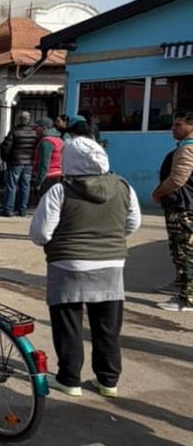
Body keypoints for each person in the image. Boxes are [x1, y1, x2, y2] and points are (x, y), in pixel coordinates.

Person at [29, 137, 140, 397]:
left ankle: (69, 379)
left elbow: (40, 233)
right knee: (107, 326)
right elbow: (133, 223)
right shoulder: (123, 187)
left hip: (68, 264)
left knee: (68, 324)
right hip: (111, 264)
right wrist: (109, 240)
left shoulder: (60, 190)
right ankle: (108, 381)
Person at [150, 109, 193, 312]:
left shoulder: (187, 149)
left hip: (183, 207)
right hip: (184, 205)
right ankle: (181, 285)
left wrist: (158, 193)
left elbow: (177, 179)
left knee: (184, 252)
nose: (173, 128)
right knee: (182, 251)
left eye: (179, 124)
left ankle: (187, 298)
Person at [0, 110, 39, 216]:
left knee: (11, 185)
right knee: (25, 185)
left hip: (15, 161)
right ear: (29, 119)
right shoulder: (34, 132)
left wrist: (6, 159)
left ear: (19, 119)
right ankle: (22, 210)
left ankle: (8, 210)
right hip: (29, 162)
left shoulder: (14, 131)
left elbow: (6, 147)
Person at [32, 115, 64, 199]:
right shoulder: (59, 140)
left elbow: (44, 164)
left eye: (37, 127)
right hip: (58, 175)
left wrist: (38, 183)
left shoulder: (46, 141)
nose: (34, 129)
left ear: (44, 128)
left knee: (44, 203)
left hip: (48, 178)